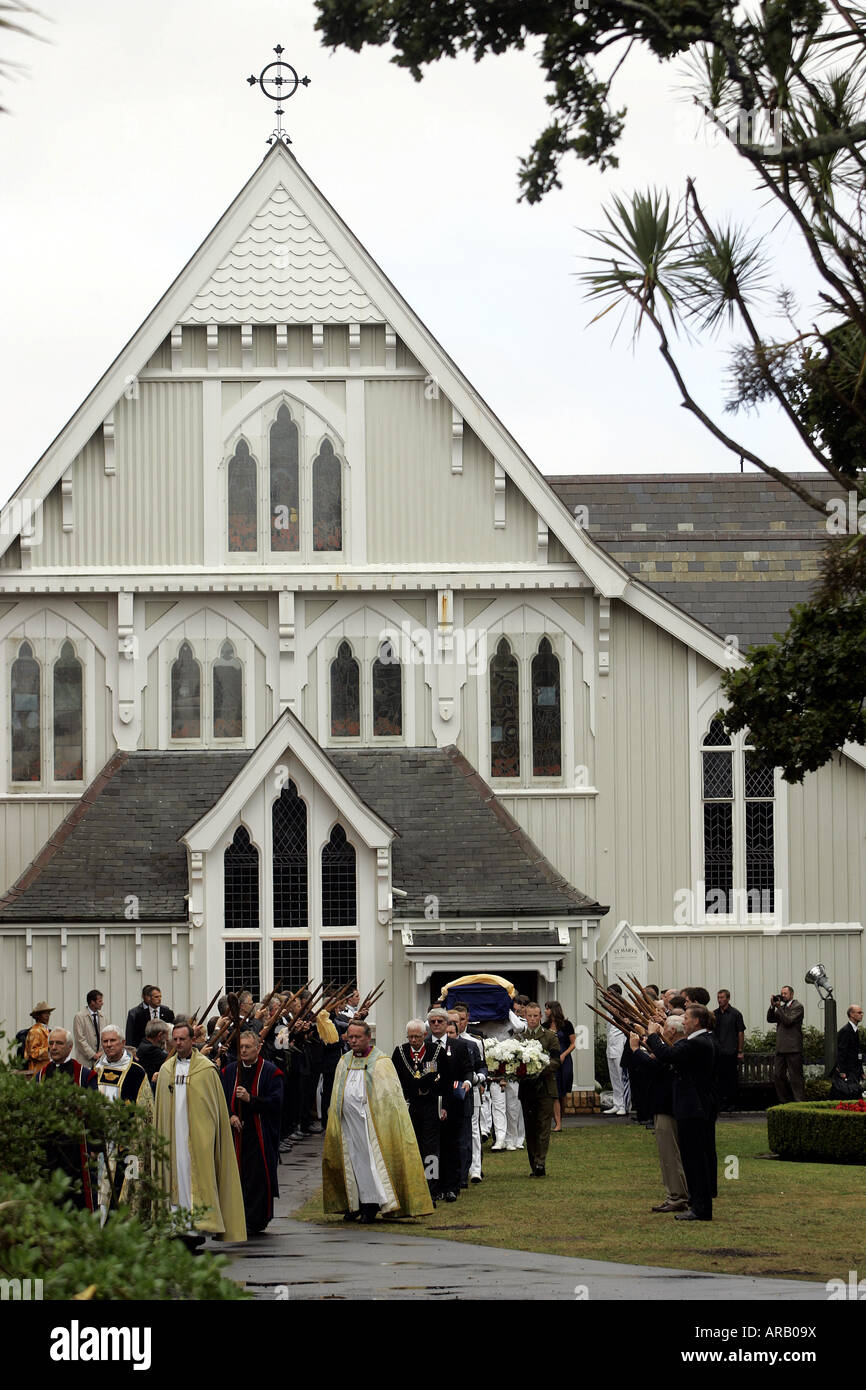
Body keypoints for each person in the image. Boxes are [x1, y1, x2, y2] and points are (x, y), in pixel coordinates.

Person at [322, 1018, 434, 1223]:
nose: (353, 1041)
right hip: (348, 1125)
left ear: (368, 1037)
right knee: (352, 1161)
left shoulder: (381, 1062)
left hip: (372, 1126)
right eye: (350, 1036)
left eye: (357, 1037)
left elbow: (389, 1098)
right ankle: (354, 1203)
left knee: (371, 1163)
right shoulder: (344, 1061)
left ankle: (372, 1204)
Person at [154, 1020, 246, 1243]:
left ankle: (198, 1226)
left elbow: (214, 1108)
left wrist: (209, 1135)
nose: (178, 1043)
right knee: (176, 1177)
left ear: (192, 1040)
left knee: (196, 1177)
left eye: (182, 1039)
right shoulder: (166, 1070)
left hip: (199, 1138)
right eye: (174, 1040)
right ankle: (177, 1225)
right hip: (173, 1137)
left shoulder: (206, 1070)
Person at [646, 1004, 717, 1221]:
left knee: (694, 1159)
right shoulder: (703, 1040)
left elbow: (667, 1054)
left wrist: (652, 1035)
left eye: (686, 1017)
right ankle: (697, 1203)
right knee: (695, 1158)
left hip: (692, 1108)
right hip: (697, 1107)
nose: (683, 1021)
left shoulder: (698, 1043)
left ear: (696, 1021)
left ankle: (701, 1208)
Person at [221, 1027, 283, 1235]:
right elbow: (220, 1100)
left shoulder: (271, 1072)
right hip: (235, 1134)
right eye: (241, 1047)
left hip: (259, 1133)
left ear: (258, 1048)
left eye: (248, 1047)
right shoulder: (230, 1071)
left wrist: (250, 1099)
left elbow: (276, 1103)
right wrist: (231, 1115)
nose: (244, 1051)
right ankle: (236, 1216)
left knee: (257, 1177)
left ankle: (256, 1219)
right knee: (235, 1176)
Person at [624, 1017, 689, 1213]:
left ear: (671, 1030)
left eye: (664, 1026)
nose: (661, 1028)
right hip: (669, 1106)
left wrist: (636, 1049)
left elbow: (657, 1066)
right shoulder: (676, 1047)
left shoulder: (678, 1048)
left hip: (666, 1106)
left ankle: (676, 1196)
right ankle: (679, 1193)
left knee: (670, 1153)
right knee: (673, 1153)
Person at [34, 1027, 97, 1210]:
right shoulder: (41, 1076)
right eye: (51, 1043)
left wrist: (93, 1147)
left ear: (69, 1047)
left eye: (59, 1043)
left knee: (76, 1196)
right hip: (49, 1147)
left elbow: (93, 1112)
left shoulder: (84, 1075)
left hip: (76, 1147)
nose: (53, 1047)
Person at [93, 1024, 153, 1214]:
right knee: (100, 1186)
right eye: (105, 1041)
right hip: (101, 1139)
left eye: (113, 1041)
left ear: (123, 1043)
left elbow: (146, 1108)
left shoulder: (136, 1072)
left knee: (126, 1182)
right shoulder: (95, 1071)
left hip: (126, 1141)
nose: (109, 1045)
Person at [392, 1018, 446, 1201]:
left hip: (430, 1104)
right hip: (409, 1104)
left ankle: (431, 1188)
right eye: (410, 1037)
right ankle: (413, 1184)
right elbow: (396, 1077)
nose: (413, 1041)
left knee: (430, 1148)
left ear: (425, 1035)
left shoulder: (434, 1051)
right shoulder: (400, 1052)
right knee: (410, 1146)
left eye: (417, 1037)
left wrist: (424, 1086)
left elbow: (437, 1075)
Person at [427, 1007, 472, 1202]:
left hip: (453, 1104)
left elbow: (467, 1071)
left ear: (447, 1024)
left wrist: (468, 1083)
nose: (436, 1025)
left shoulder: (458, 1046)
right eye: (432, 1022)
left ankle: (452, 1187)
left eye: (439, 1021)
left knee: (452, 1146)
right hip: (431, 1105)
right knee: (432, 1148)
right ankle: (434, 1187)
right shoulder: (425, 1046)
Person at [517, 1002, 560, 1177]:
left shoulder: (550, 1036)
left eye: (536, 1016)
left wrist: (540, 1066)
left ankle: (541, 1162)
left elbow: (557, 1061)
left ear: (541, 1016)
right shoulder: (519, 1038)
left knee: (543, 1127)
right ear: (525, 1017)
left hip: (546, 1087)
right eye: (530, 1016)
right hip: (527, 1088)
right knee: (530, 1128)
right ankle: (534, 1163)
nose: (533, 1019)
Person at [452, 1001, 487, 1185]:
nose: (459, 1024)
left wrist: (478, 1081)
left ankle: (475, 1168)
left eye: (462, 1020)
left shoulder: (474, 1042)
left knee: (473, 1131)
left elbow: (482, 1067)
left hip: (471, 1092)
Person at [766, 986, 805, 1102]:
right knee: (778, 1075)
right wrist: (772, 1007)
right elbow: (770, 1019)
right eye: (782, 993)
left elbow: (788, 1021)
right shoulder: (781, 1008)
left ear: (791, 995)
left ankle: (799, 1102)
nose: (783, 996)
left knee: (795, 1077)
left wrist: (779, 1008)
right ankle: (785, 1101)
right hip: (781, 1048)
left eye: (785, 994)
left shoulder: (798, 1006)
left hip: (793, 1048)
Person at [545, 1000, 575, 1131]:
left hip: (565, 1060)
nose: (545, 1011)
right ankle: (558, 1123)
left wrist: (563, 1055)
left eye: (547, 1008)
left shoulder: (567, 1024)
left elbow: (573, 1043)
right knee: (555, 1092)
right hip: (552, 1061)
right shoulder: (545, 1026)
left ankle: (560, 1118)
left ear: (553, 1010)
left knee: (563, 1093)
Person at [713, 990, 745, 1112]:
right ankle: (721, 1103)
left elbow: (740, 1032)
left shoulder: (735, 1014)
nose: (719, 1000)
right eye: (718, 997)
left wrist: (740, 1050)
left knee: (731, 1079)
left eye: (722, 997)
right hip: (718, 1052)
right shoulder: (714, 1014)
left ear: (728, 998)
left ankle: (731, 1103)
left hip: (731, 1051)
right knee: (719, 1079)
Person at [603, 985, 630, 1115]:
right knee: (613, 1076)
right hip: (611, 1045)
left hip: (620, 1045)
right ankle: (617, 1103)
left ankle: (625, 1105)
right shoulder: (608, 1008)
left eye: (610, 994)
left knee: (621, 1076)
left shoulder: (623, 1008)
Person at [125, 985, 175, 1051]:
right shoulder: (140, 1015)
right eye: (156, 997)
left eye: (160, 996)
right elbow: (136, 1036)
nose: (159, 999)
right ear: (149, 998)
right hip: (146, 1050)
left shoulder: (168, 1013)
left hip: (165, 1049)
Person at [831, 1005, 864, 1098]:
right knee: (846, 1095)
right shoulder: (846, 1031)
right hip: (848, 1072)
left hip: (854, 1071)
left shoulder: (855, 1030)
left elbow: (857, 1052)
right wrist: (842, 1070)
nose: (861, 1015)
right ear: (851, 1014)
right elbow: (841, 1052)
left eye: (862, 1013)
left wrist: (861, 1071)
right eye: (859, 1013)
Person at [72, 990, 105, 1068]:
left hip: (101, 1061)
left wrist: (102, 1053)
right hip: (85, 1061)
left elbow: (107, 1036)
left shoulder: (103, 1017)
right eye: (100, 1001)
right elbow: (80, 1039)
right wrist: (93, 1055)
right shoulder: (79, 1017)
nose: (102, 1003)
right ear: (92, 1002)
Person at [24, 1001, 54, 1074]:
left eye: (49, 1013)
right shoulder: (35, 1031)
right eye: (45, 1013)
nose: (48, 1015)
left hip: (46, 1068)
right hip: (38, 1070)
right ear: (38, 1016)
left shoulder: (47, 1030)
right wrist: (49, 1049)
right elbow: (33, 1053)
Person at [137, 1018, 170, 1084]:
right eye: (167, 1035)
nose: (167, 1039)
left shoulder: (144, 1044)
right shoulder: (150, 1050)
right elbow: (172, 1059)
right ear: (160, 1035)